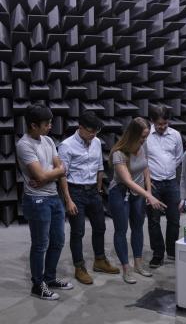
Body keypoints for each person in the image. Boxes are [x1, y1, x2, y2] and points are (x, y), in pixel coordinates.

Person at [16, 104, 73, 300]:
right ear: (33, 125)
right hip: (36, 200)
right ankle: (37, 284)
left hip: (53, 197)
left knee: (58, 241)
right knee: (40, 244)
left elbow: (60, 168)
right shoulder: (24, 145)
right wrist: (55, 172)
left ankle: (50, 278)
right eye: (46, 123)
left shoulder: (48, 140)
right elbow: (46, 172)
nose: (50, 126)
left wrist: (48, 175)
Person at [58, 111, 120, 285]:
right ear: (80, 128)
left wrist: (99, 190)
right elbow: (62, 175)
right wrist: (68, 200)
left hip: (93, 191)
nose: (93, 135)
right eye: (90, 132)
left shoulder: (96, 143)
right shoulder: (66, 146)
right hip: (75, 192)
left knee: (100, 227)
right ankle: (79, 267)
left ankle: (99, 260)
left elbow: (99, 167)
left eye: (96, 132)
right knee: (78, 232)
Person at [108, 117, 166, 283]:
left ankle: (138, 265)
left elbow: (145, 167)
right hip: (120, 193)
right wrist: (149, 196)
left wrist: (148, 190)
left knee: (138, 228)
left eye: (146, 137)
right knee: (121, 229)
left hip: (139, 193)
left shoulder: (143, 145)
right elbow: (127, 180)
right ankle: (126, 268)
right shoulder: (119, 153)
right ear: (132, 134)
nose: (144, 140)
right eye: (141, 137)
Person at [144, 105, 183, 268]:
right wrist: (147, 184)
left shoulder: (175, 135)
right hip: (153, 184)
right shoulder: (145, 136)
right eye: (159, 124)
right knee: (154, 221)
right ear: (152, 121)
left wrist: (168, 170)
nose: (162, 127)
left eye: (165, 123)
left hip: (171, 182)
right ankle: (158, 254)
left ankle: (172, 250)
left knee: (174, 219)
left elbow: (179, 157)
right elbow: (142, 160)